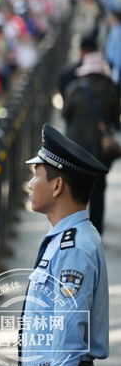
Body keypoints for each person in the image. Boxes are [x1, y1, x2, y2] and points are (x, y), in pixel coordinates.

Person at [21, 124, 109, 366]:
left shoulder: (74, 248)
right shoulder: (65, 238)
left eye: (36, 175)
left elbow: (69, 332)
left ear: (57, 185)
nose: (30, 184)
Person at [61, 52, 120, 235]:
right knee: (98, 188)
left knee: (74, 188)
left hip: (76, 147)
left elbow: (65, 114)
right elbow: (115, 118)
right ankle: (96, 230)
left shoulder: (74, 88)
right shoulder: (110, 89)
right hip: (100, 149)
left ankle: (74, 229)